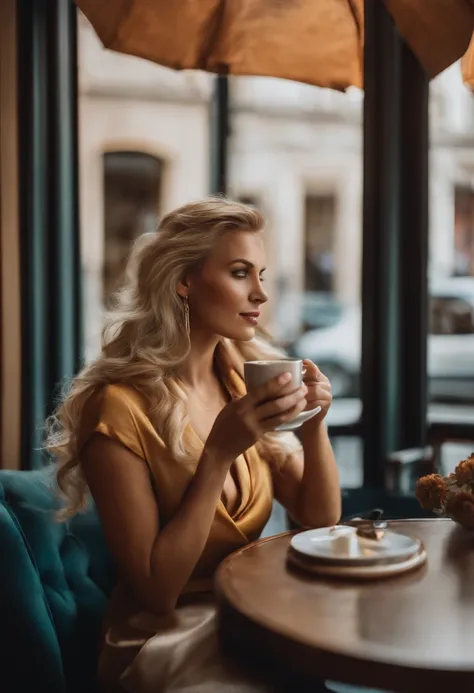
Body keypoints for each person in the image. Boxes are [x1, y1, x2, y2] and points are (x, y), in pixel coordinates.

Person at [45, 197, 341, 693]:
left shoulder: (242, 378)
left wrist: (314, 426)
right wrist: (219, 453)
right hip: (165, 639)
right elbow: (158, 592)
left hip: (248, 616)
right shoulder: (118, 406)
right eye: (241, 273)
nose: (261, 294)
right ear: (184, 281)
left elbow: (319, 520)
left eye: (262, 274)